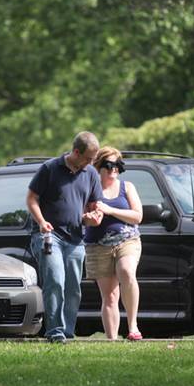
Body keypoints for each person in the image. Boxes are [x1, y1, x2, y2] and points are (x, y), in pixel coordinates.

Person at [26, 131, 103, 343]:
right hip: (49, 236)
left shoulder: (91, 174)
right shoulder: (50, 169)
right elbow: (31, 198)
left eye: (93, 159)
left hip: (76, 239)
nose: (90, 163)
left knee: (72, 288)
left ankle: (67, 332)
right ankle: (56, 332)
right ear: (76, 152)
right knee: (55, 281)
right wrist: (41, 222)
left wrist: (94, 217)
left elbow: (95, 206)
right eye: (88, 158)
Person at [84, 147, 143, 340]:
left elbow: (137, 216)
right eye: (109, 165)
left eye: (118, 165)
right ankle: (112, 340)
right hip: (97, 245)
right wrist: (90, 218)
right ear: (98, 166)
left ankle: (133, 326)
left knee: (126, 271)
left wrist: (110, 210)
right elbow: (82, 215)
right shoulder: (90, 188)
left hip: (127, 240)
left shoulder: (127, 187)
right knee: (109, 296)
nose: (114, 169)